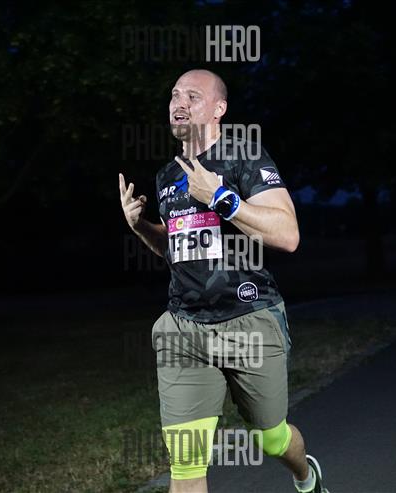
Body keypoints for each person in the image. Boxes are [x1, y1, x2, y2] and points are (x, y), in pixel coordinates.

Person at [119, 69, 328, 493]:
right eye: (175, 95)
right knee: (186, 463)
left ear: (219, 109)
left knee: (271, 437)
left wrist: (220, 197)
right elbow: (176, 251)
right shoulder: (167, 176)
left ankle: (306, 476)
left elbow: (288, 235)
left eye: (192, 96)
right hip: (185, 328)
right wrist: (141, 227)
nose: (179, 103)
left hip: (250, 319)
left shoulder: (244, 157)